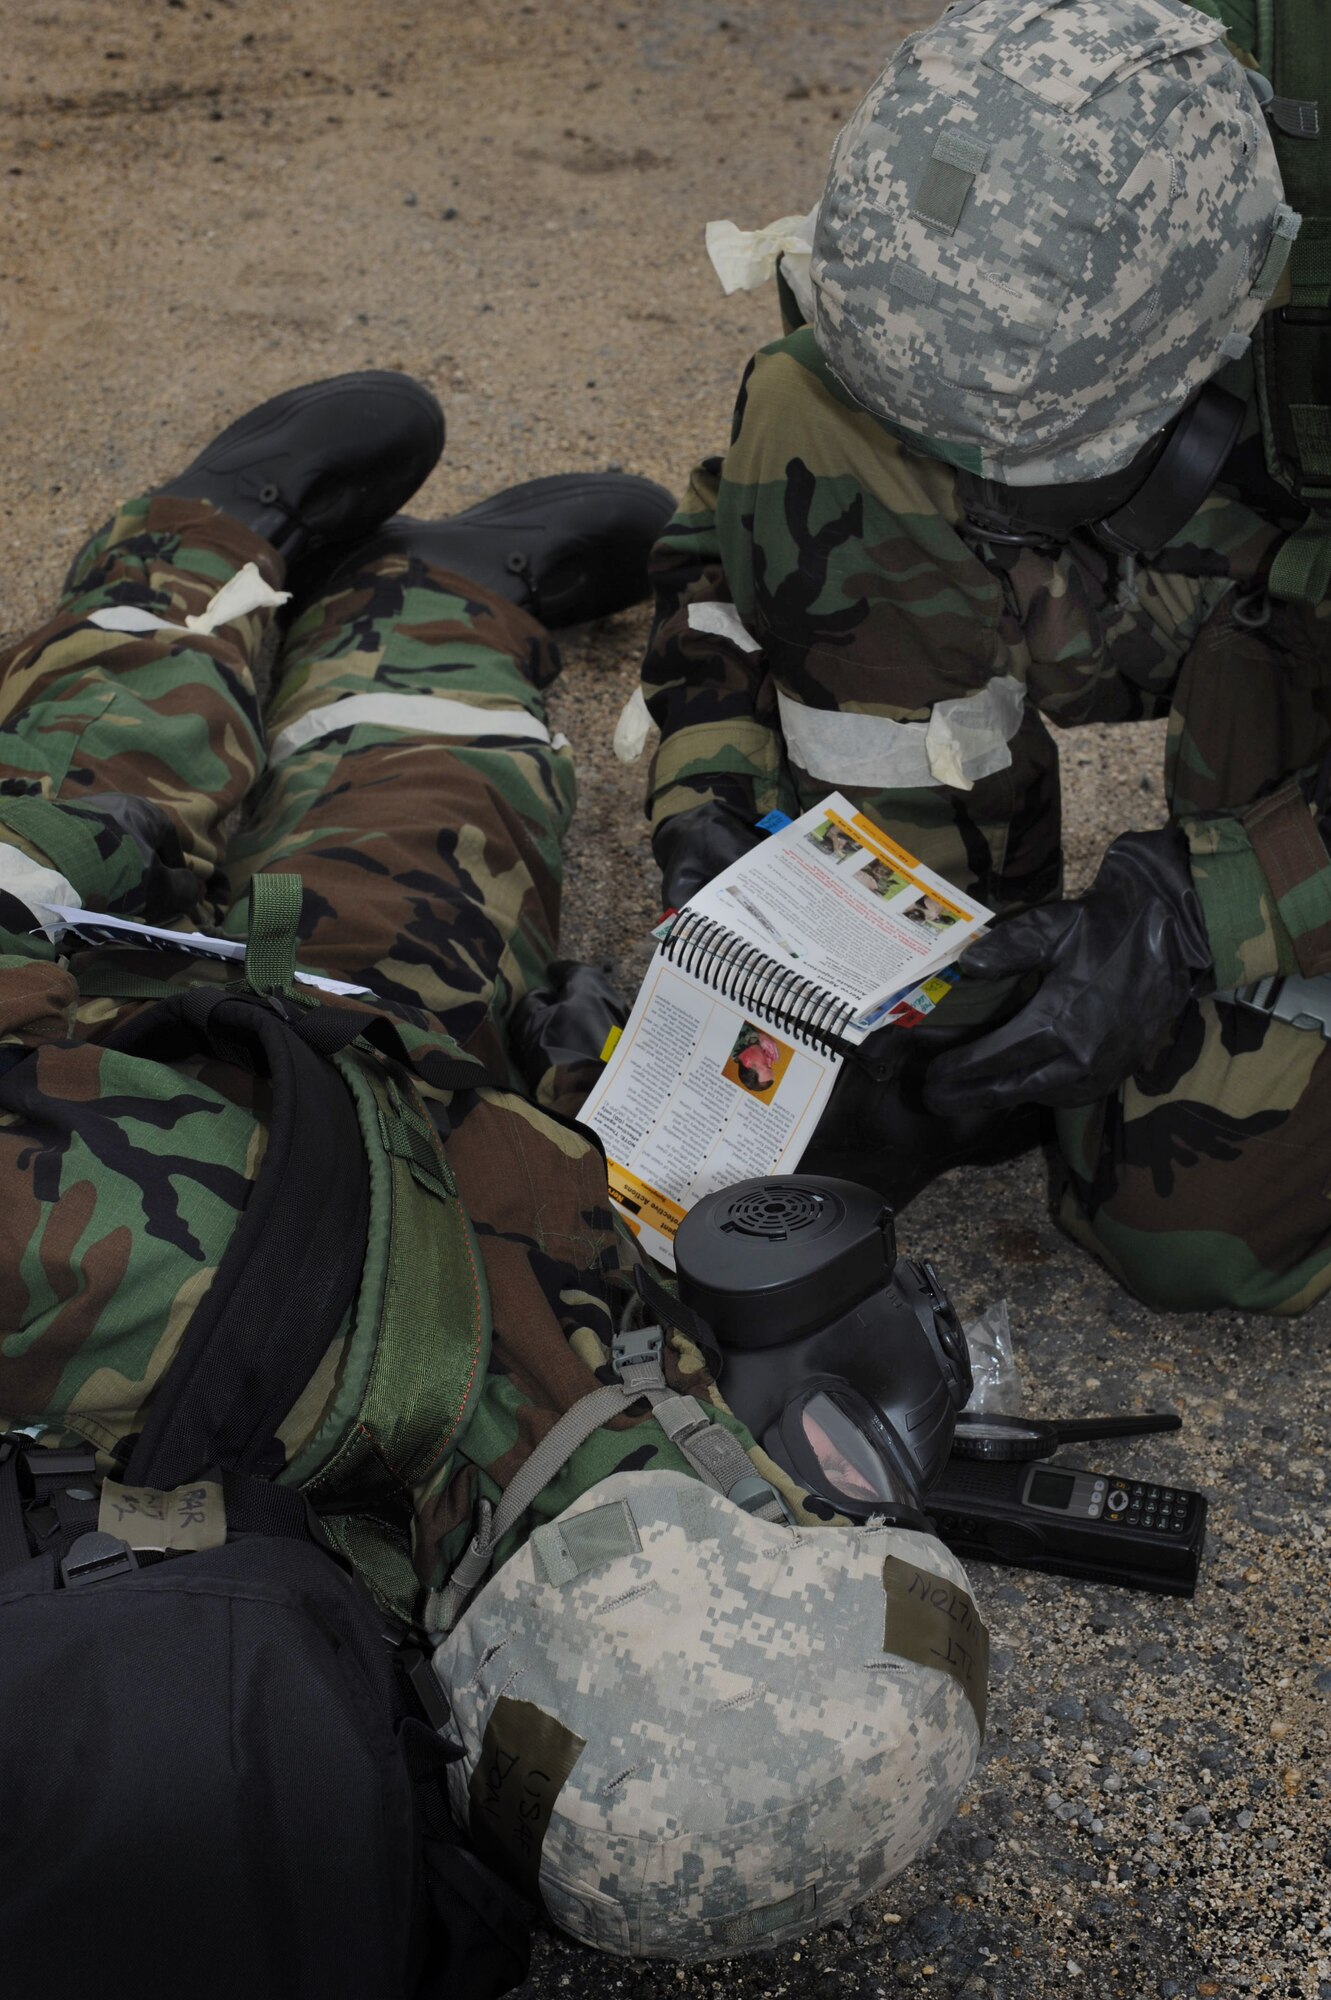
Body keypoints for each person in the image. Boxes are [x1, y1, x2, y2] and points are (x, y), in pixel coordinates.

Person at [0, 372, 985, 1974]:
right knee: (432, 907)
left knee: (88, 810)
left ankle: (205, 548)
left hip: (122, 1132)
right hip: (363, 1127)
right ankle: (443, 603)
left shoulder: (103, 1281)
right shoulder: (534, 1447)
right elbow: (496, 1180)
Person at [638, 0, 1330, 1315]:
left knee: (1189, 1219)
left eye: (1022, 467)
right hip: (1220, 530)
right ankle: (950, 974)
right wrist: (707, 786)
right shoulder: (1067, 116)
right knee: (825, 426)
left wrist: (1205, 908)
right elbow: (738, 509)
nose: (986, 517)